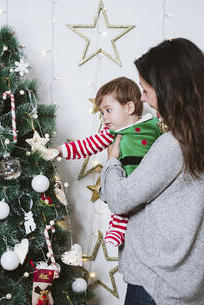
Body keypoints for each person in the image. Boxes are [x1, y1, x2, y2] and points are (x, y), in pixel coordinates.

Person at [99, 38, 204, 305]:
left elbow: (119, 199)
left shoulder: (173, 145)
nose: (143, 99)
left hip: (157, 284)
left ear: (171, 91)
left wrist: (112, 161)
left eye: (146, 90)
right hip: (187, 280)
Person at [57, 76, 164, 246]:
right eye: (101, 113)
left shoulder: (153, 125)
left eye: (108, 110)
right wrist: (60, 151)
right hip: (125, 183)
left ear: (129, 107)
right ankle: (117, 228)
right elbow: (87, 145)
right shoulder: (112, 133)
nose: (104, 118)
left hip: (149, 185)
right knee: (119, 200)